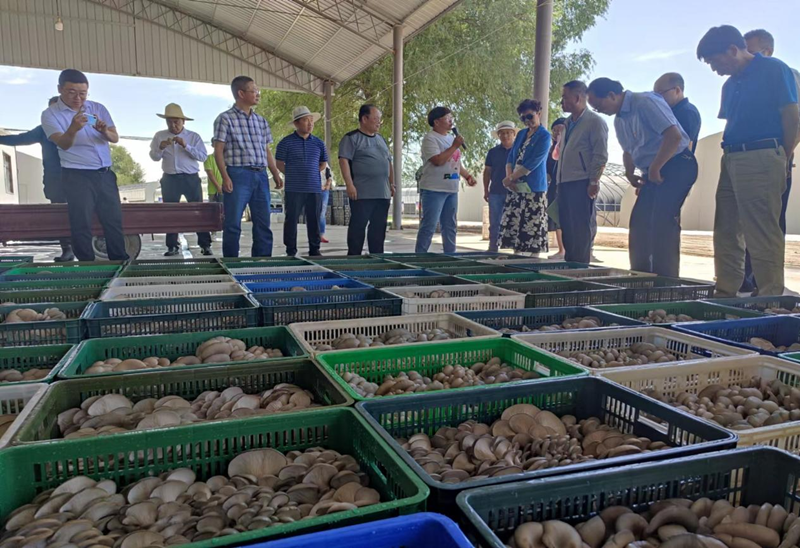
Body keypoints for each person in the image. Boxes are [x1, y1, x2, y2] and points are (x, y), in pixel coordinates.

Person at [697, 25, 799, 297]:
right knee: (726, 228)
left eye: (716, 62)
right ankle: (726, 291)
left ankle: (769, 296)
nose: (715, 69)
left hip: (762, 154)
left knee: (762, 229)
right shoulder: (730, 84)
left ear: (733, 50)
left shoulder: (775, 69)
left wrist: (783, 156)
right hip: (730, 156)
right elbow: (733, 121)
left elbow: (791, 116)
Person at [588, 77, 697, 277]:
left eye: (598, 105)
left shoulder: (645, 102)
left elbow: (674, 136)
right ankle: (640, 276)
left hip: (677, 164)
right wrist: (629, 172)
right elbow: (628, 150)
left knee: (662, 222)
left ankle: (666, 280)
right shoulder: (619, 119)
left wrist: (656, 167)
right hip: (651, 169)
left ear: (612, 95)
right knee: (640, 223)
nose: (599, 110)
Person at [41, 69, 128, 262]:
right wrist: (73, 128)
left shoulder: (97, 108)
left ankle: (120, 263)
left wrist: (105, 130)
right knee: (81, 223)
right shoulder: (50, 115)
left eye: (83, 93)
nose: (78, 98)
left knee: (113, 221)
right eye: (72, 92)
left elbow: (115, 138)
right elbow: (63, 143)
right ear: (60, 89)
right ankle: (87, 266)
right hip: (76, 175)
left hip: (105, 174)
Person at [739, 29, 800, 293]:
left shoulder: (785, 74)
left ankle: (765, 286)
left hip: (774, 157)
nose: (747, 57)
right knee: (742, 222)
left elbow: (795, 120)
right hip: (745, 159)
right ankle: (744, 277)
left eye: (752, 51)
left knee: (769, 223)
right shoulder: (742, 80)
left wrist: (783, 157)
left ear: (768, 50)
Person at [213, 76, 282, 258]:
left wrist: (275, 173)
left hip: (260, 175)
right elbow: (218, 150)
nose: (258, 94)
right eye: (254, 90)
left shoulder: (261, 121)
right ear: (241, 93)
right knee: (233, 223)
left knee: (262, 222)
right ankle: (232, 263)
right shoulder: (225, 119)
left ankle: (261, 261)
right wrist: (225, 177)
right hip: (238, 174)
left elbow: (266, 150)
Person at [0, 97, 73, 261]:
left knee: (81, 213)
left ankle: (84, 249)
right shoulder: (44, 130)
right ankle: (68, 249)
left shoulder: (77, 128)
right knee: (60, 215)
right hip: (55, 180)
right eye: (52, 111)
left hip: (79, 178)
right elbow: (19, 139)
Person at [557, 80, 609, 264]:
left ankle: (581, 270)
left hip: (582, 182)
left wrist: (593, 181)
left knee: (581, 229)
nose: (561, 101)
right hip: (563, 183)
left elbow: (600, 154)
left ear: (578, 97)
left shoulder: (595, 122)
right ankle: (570, 267)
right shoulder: (566, 123)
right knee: (568, 229)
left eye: (565, 97)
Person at [149, 103, 210, 256]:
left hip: (190, 178)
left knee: (198, 212)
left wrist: (186, 146)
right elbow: (154, 158)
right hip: (170, 179)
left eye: (176, 121)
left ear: (184, 121)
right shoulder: (159, 136)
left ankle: (205, 244)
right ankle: (172, 246)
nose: (173, 125)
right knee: (170, 213)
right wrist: (160, 148)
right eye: (169, 121)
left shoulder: (193, 137)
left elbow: (203, 157)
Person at [415, 107, 478, 253]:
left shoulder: (451, 138)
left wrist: (467, 176)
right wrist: (455, 145)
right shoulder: (430, 138)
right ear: (436, 122)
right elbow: (438, 160)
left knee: (450, 225)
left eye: (451, 118)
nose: (451, 121)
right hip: (434, 189)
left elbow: (456, 163)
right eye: (447, 118)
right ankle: (419, 256)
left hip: (451, 188)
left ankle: (450, 255)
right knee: (429, 225)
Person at [497, 99, 552, 255]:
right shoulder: (521, 134)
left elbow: (533, 162)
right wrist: (509, 178)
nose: (527, 121)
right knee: (515, 221)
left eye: (530, 116)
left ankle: (534, 257)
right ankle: (517, 254)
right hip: (516, 186)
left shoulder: (544, 136)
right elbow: (511, 157)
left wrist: (512, 178)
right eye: (523, 118)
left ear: (538, 114)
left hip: (534, 187)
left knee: (533, 222)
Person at [339, 104, 393, 255]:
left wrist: (392, 183)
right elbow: (344, 161)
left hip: (382, 192)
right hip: (362, 192)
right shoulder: (351, 138)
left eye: (379, 119)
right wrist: (349, 184)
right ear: (364, 119)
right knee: (358, 226)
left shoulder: (381, 139)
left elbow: (388, 162)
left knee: (379, 228)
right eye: (376, 119)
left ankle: (377, 257)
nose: (378, 122)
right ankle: (354, 258)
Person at [275, 106, 329, 257]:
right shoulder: (286, 143)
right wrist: (292, 173)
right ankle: (290, 250)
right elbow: (279, 163)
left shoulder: (318, 143)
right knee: (291, 220)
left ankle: (315, 248)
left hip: (314, 188)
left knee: (314, 220)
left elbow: (323, 163)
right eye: (306, 120)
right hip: (294, 188)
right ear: (297, 123)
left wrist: (310, 172)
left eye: (311, 121)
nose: (310, 124)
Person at [483, 121, 516, 253]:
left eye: (508, 133)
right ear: (498, 135)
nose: (505, 136)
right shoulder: (493, 152)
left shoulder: (519, 151)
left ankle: (515, 248)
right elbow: (487, 172)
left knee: (514, 221)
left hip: (514, 192)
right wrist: (486, 190)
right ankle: (493, 247)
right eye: (502, 133)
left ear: (514, 134)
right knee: (495, 222)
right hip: (496, 191)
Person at [653, 73, 702, 151]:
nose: (657, 99)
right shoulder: (669, 113)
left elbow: (683, 146)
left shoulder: (687, 112)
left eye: (660, 93)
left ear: (677, 90)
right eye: (655, 95)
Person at [546, 118, 566, 259]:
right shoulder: (551, 149)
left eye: (560, 129)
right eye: (555, 130)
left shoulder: (570, 145)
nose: (557, 132)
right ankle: (561, 249)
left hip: (568, 184)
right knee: (556, 217)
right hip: (554, 185)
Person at [319, 166, 332, 244]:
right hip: (313, 189)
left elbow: (329, 176)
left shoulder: (325, 165)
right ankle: (313, 234)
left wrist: (327, 185)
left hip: (324, 190)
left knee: (322, 213)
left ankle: (321, 235)